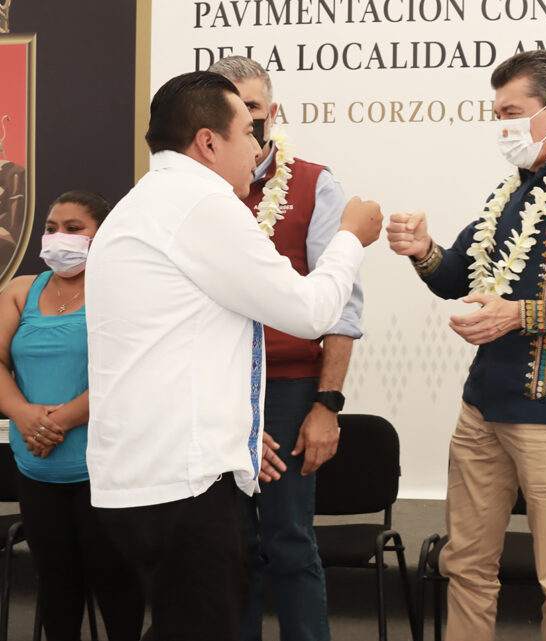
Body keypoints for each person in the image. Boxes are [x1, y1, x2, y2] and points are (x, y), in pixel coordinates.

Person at [84, 71, 383, 641]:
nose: (259, 145)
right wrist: (349, 236)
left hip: (142, 475)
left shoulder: (140, 203)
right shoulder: (202, 204)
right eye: (249, 131)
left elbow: (177, 350)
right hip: (184, 489)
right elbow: (310, 309)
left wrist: (238, 432)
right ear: (208, 142)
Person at [386, 49, 546, 641]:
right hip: (483, 408)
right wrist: (423, 249)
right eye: (496, 112)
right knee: (467, 568)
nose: (500, 126)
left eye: (511, 112)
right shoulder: (512, 189)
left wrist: (521, 316)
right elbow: (458, 275)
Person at [206, 55, 363, 641]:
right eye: (227, 107)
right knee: (228, 545)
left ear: (271, 112)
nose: (240, 117)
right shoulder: (201, 191)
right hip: (216, 389)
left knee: (289, 541)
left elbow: (341, 306)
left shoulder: (314, 182)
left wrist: (327, 404)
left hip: (291, 388)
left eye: (249, 107)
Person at [0, 191, 145, 641]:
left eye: (74, 228)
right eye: (50, 227)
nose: (57, 237)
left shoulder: (121, 291)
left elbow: (129, 372)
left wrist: (57, 422)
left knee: (115, 581)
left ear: (102, 235)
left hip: (103, 468)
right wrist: (23, 414)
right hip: (36, 464)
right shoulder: (21, 290)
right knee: (56, 582)